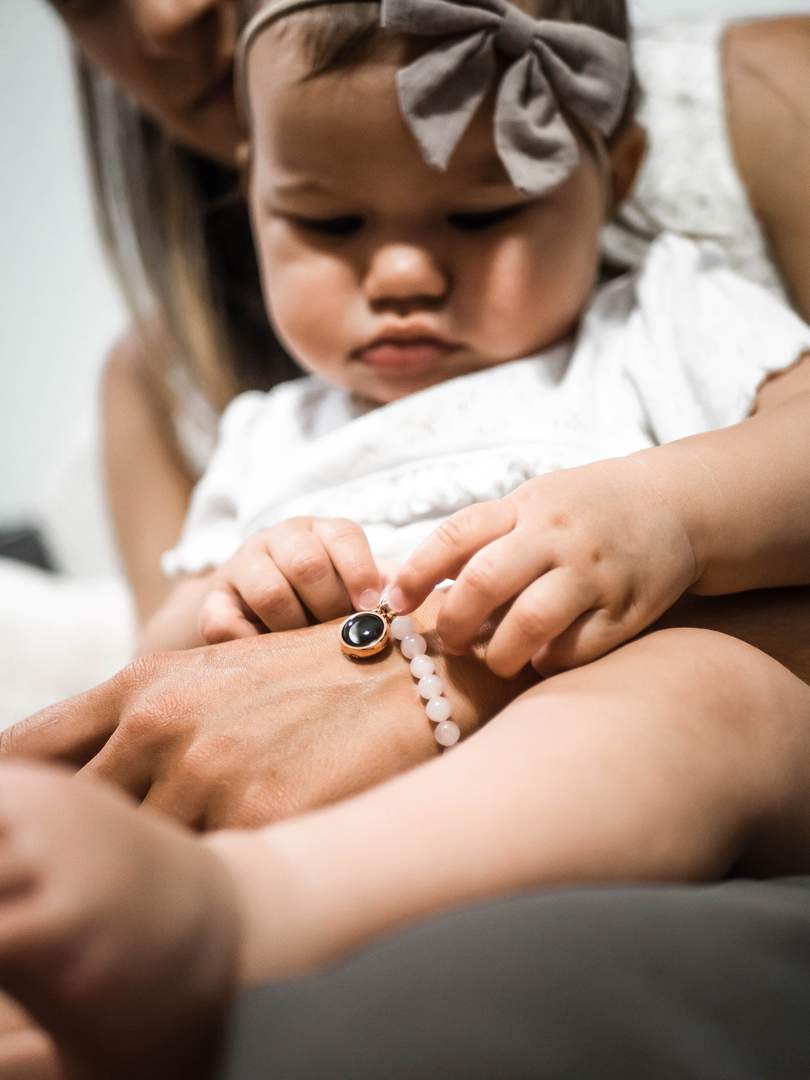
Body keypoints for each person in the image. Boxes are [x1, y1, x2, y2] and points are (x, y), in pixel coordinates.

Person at [3, 2, 810, 1077]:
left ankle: (250, 917)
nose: (401, 276)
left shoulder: (663, 318)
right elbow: (156, 673)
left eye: (479, 216)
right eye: (328, 226)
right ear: (254, 198)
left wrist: (670, 509)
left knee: (703, 693)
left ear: (616, 175)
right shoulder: (264, 432)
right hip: (319, 810)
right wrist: (233, 603)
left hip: (652, 773)